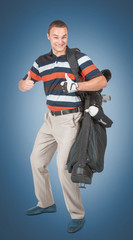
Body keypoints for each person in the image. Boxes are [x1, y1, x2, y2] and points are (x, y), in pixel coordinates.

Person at [18, 20, 107, 233]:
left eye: (64, 36)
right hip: (49, 119)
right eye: (56, 36)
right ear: (48, 36)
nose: (60, 41)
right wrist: (25, 84)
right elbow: (23, 82)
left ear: (68, 36)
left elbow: (101, 81)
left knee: (64, 168)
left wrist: (76, 85)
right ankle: (46, 203)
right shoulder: (41, 61)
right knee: (36, 160)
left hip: (71, 120)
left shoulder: (78, 57)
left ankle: (77, 215)